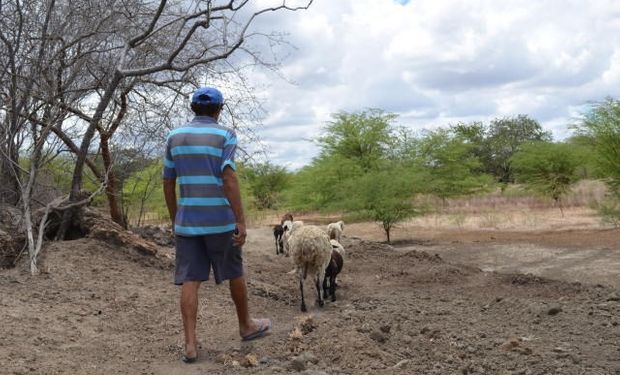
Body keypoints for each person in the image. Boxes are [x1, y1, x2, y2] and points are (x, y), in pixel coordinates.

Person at [162, 86, 272, 363]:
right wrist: (240, 220)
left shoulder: (174, 137)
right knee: (235, 271)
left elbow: (167, 180)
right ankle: (246, 325)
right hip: (221, 222)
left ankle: (189, 345)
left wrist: (177, 216)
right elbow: (229, 178)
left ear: (192, 109)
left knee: (190, 279)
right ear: (219, 109)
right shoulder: (225, 135)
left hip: (188, 224)